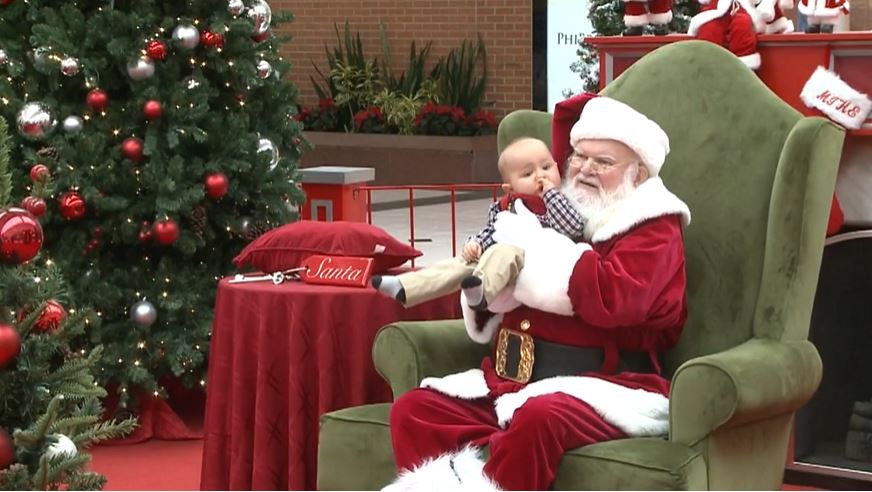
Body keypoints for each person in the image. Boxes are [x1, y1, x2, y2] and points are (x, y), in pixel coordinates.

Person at [383, 94, 691, 491]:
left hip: (607, 384)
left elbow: (615, 298)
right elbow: (502, 282)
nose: (585, 169)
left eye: (604, 162)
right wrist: (488, 288)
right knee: (414, 410)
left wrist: (536, 245)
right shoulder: (553, 211)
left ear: (639, 174)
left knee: (536, 418)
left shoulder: (653, 224)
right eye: (579, 156)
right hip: (512, 380)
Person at [371, 137, 586, 312]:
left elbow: (572, 227)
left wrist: (550, 194)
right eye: (528, 174)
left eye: (546, 167)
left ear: (558, 168)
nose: (540, 175)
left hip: (540, 263)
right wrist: (475, 245)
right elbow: (490, 233)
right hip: (497, 265)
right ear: (509, 188)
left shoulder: (560, 200)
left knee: (504, 252)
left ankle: (481, 292)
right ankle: (407, 286)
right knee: (461, 263)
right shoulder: (503, 206)